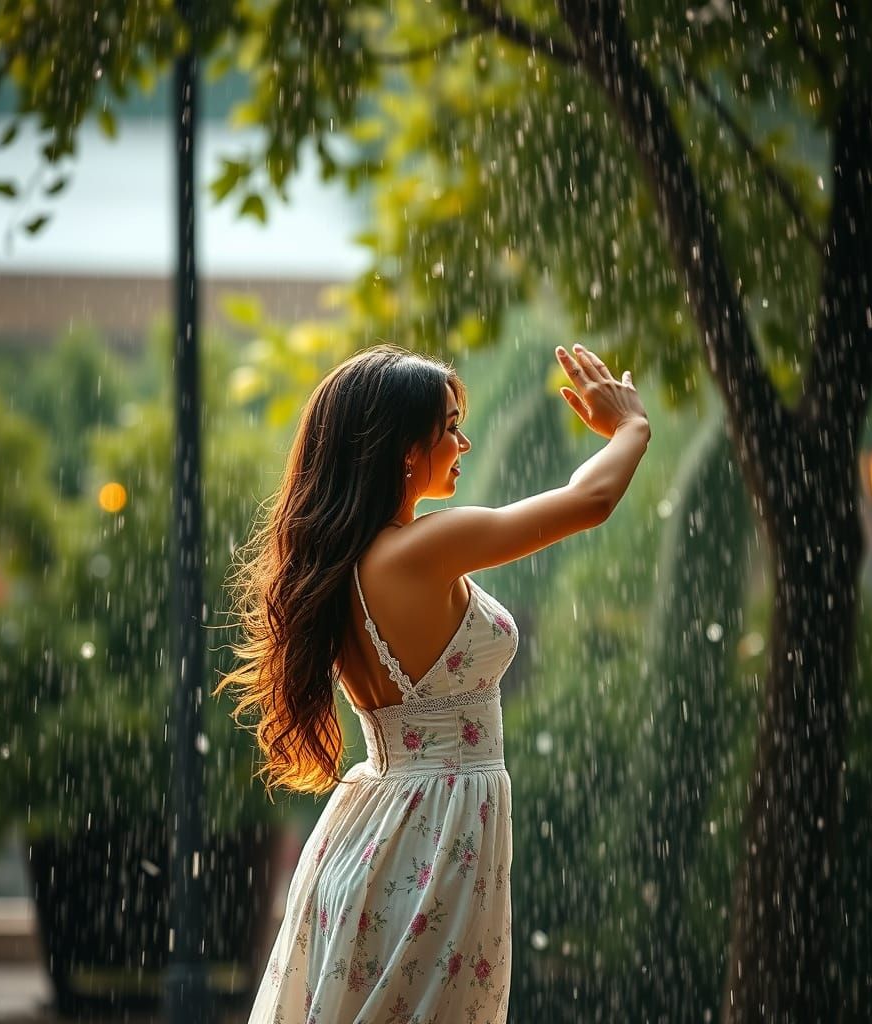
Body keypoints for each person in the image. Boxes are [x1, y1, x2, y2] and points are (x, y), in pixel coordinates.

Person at [215, 341, 650, 1023]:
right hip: (430, 835)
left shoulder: (344, 567)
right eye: (448, 426)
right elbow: (590, 500)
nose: (464, 440)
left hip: (382, 829)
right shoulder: (421, 551)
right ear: (403, 448)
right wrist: (632, 428)